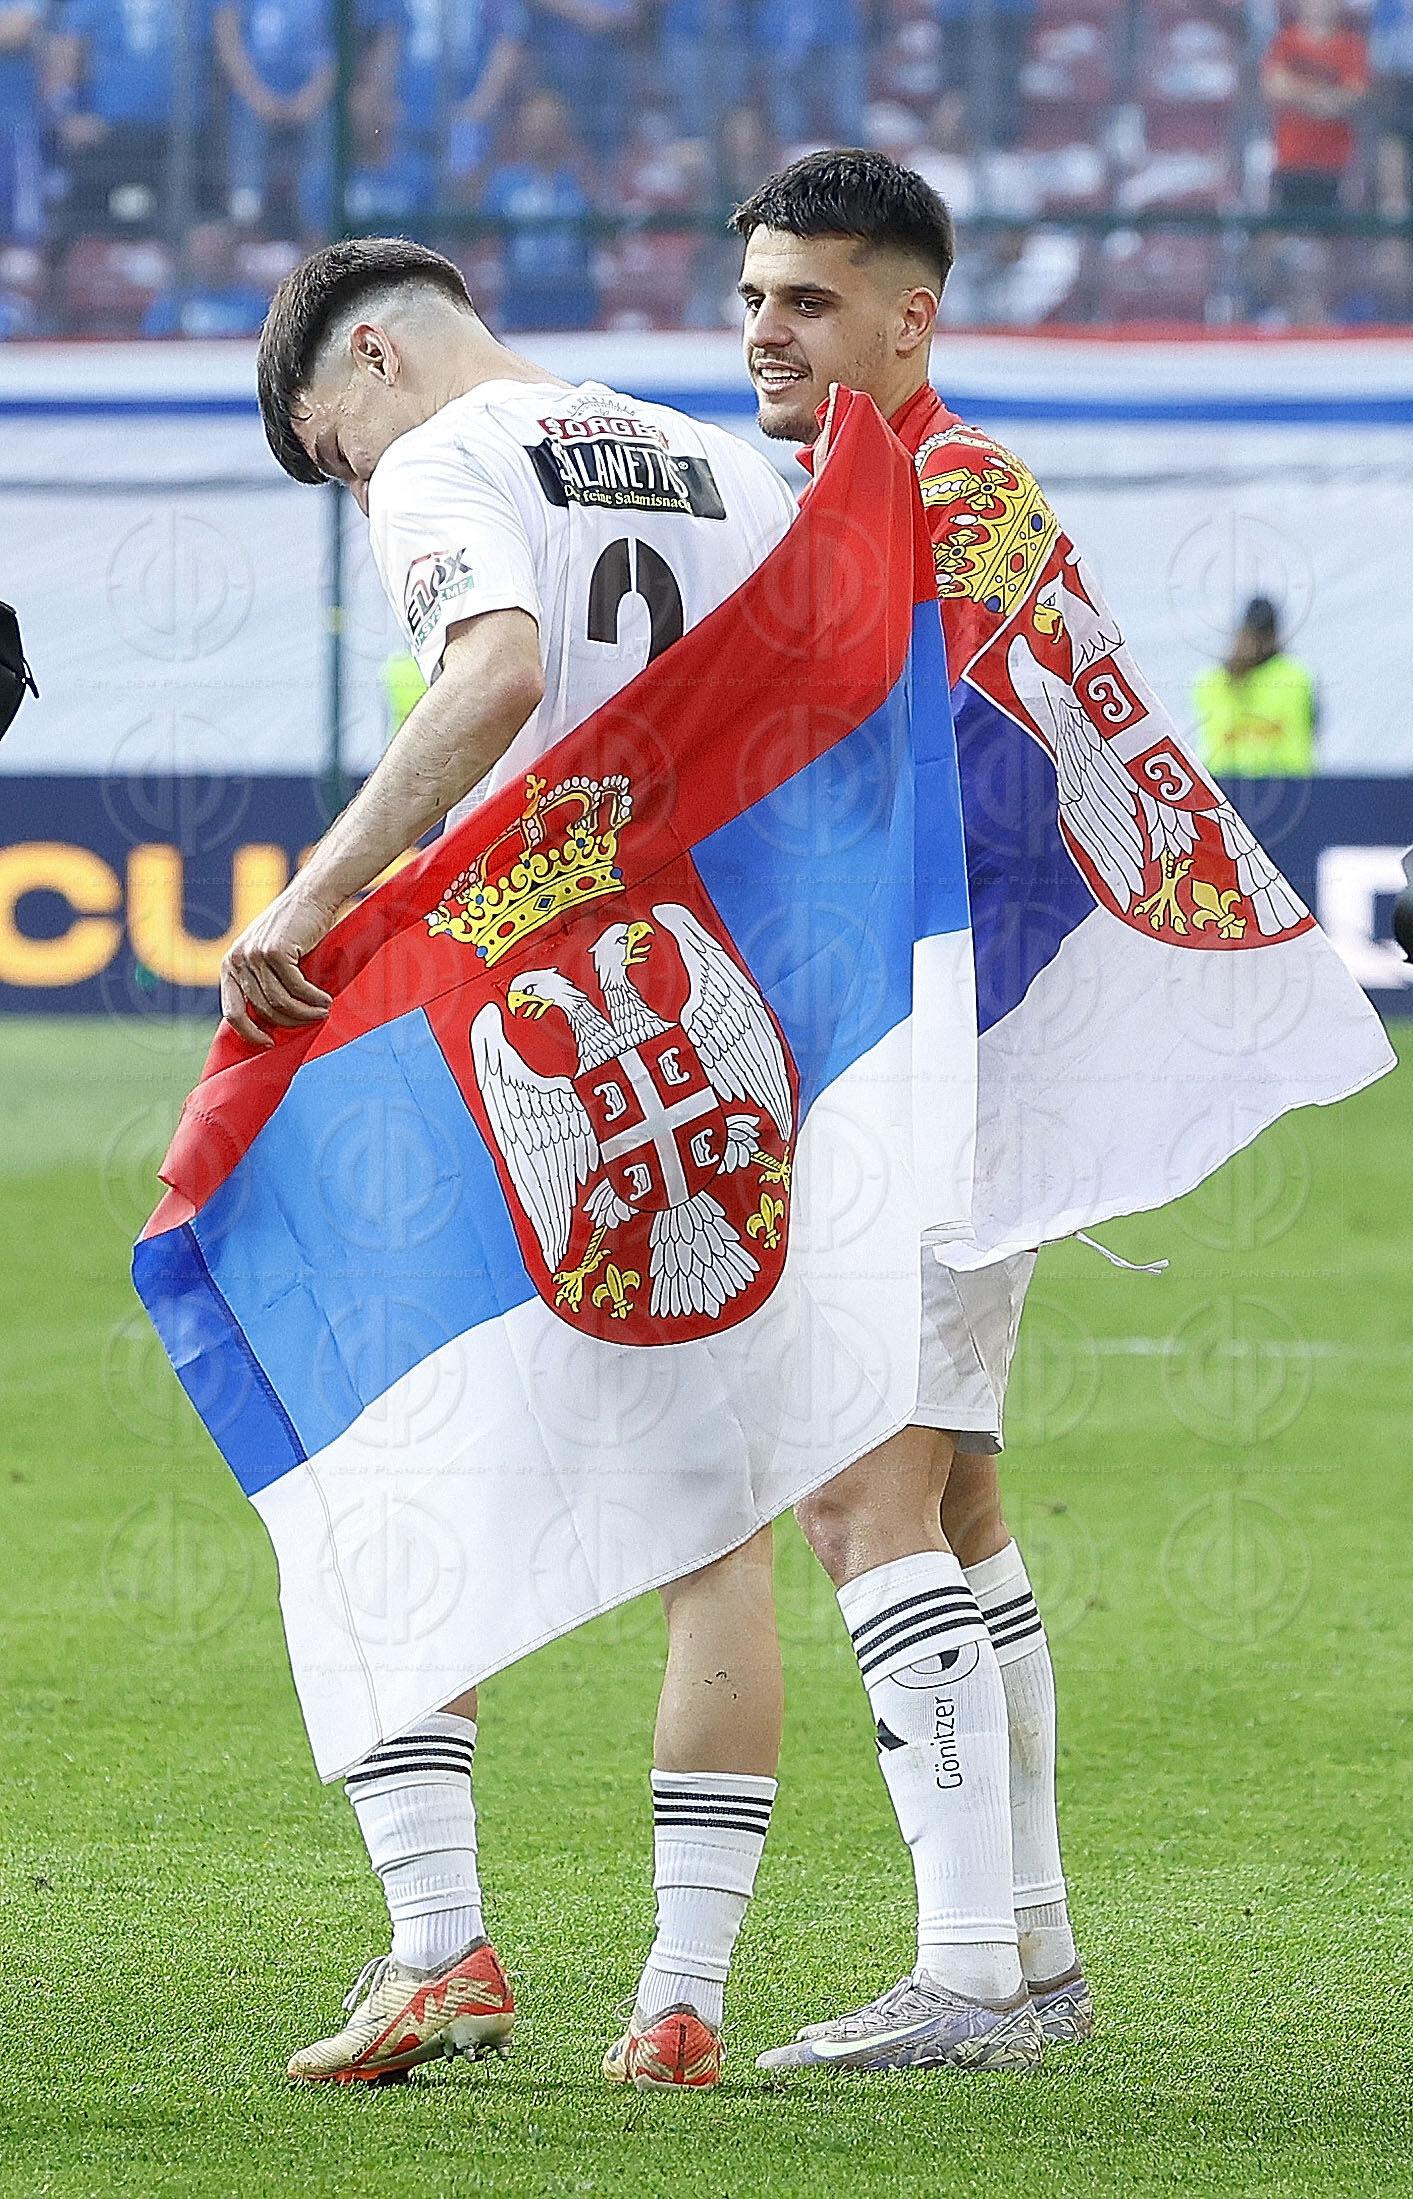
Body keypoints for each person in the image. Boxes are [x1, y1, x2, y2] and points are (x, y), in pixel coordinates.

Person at [228, 234, 798, 2088]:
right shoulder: (723, 459)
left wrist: (319, 893)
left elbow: (494, 669)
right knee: (715, 1521)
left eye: (328, 450)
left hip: (520, 1022)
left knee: (368, 1439)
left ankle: (435, 1942)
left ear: (371, 361)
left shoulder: (438, 460)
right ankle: (682, 1994)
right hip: (722, 1022)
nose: (349, 488)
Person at [732, 148, 1094, 2076]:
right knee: (950, 1495)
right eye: (758, 298)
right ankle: (1025, 1947)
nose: (771, 332)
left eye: (811, 298)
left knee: (857, 1489)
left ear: (907, 315)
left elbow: (951, 816)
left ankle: (963, 1974)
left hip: (932, 1067)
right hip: (969, 1065)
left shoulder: (930, 503)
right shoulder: (922, 489)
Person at [1261, 0, 1369, 218]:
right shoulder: (1285, 41)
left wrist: (1299, 95)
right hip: (1290, 159)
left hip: (1335, 163)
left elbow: (1354, 95)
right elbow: (1274, 86)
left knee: (1334, 235)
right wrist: (1321, 95)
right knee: (1281, 228)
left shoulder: (1352, 45)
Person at [1193, 596, 1317, 779]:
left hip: (1228, 788)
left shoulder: (1211, 681)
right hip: (1283, 786)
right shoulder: (1296, 675)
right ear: (1275, 632)